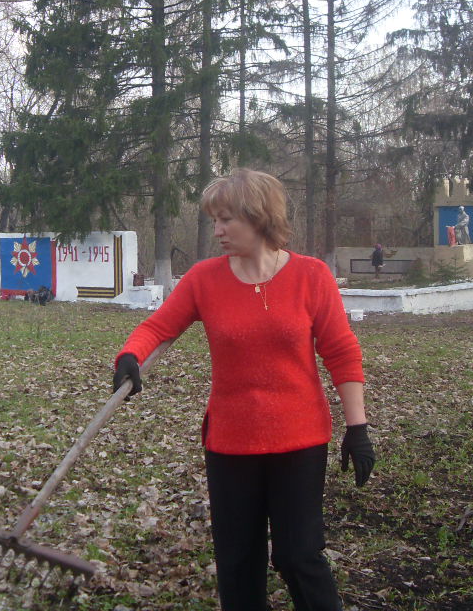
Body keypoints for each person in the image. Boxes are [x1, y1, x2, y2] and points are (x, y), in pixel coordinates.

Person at [112, 168, 374, 611]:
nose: (217, 230)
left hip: (300, 439)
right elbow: (159, 326)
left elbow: (341, 351)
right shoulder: (204, 279)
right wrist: (130, 355)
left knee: (298, 556)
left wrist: (358, 428)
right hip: (231, 443)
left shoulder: (311, 277)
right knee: (237, 564)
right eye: (214, 219)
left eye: (226, 219)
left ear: (259, 217)